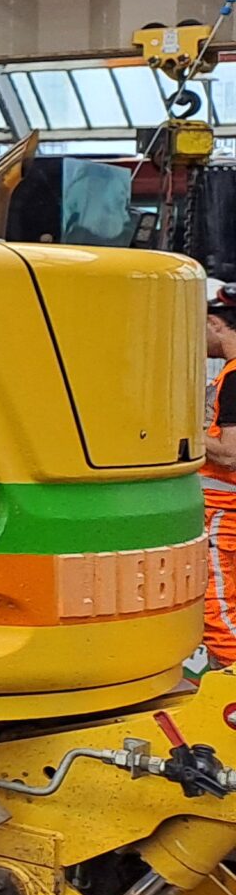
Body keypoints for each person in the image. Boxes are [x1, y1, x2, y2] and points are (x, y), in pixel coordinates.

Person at [205, 283, 236, 668]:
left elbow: (230, 453)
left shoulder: (234, 376)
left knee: (217, 612)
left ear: (215, 323)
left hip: (223, 512)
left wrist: (176, 428)